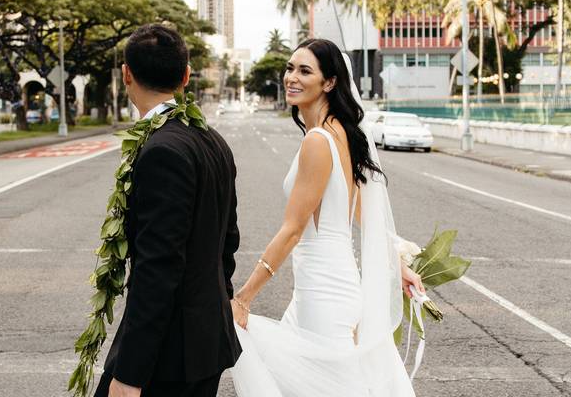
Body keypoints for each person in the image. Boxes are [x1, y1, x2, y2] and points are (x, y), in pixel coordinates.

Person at [229, 38, 423, 397]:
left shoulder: (319, 141)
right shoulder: (341, 134)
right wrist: (397, 263)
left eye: (305, 71)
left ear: (330, 82)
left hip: (324, 293)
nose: (292, 77)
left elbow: (292, 230)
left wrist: (243, 298)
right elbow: (363, 211)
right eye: (290, 68)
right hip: (326, 286)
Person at [95, 24, 242, 397]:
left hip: (170, 354)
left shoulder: (162, 150)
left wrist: (130, 376)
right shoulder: (213, 140)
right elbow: (228, 242)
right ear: (186, 76)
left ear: (126, 74)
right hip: (205, 341)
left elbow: (158, 268)